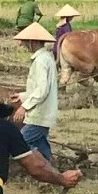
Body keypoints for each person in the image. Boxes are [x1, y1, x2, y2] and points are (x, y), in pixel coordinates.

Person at [12, 22, 59, 161]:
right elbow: (38, 88)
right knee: (40, 144)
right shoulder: (46, 58)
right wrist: (22, 95)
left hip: (39, 114)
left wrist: (23, 107)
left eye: (25, 42)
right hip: (43, 114)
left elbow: (42, 90)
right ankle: (49, 168)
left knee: (21, 142)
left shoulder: (40, 61)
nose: (22, 44)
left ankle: (40, 169)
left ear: (33, 42)